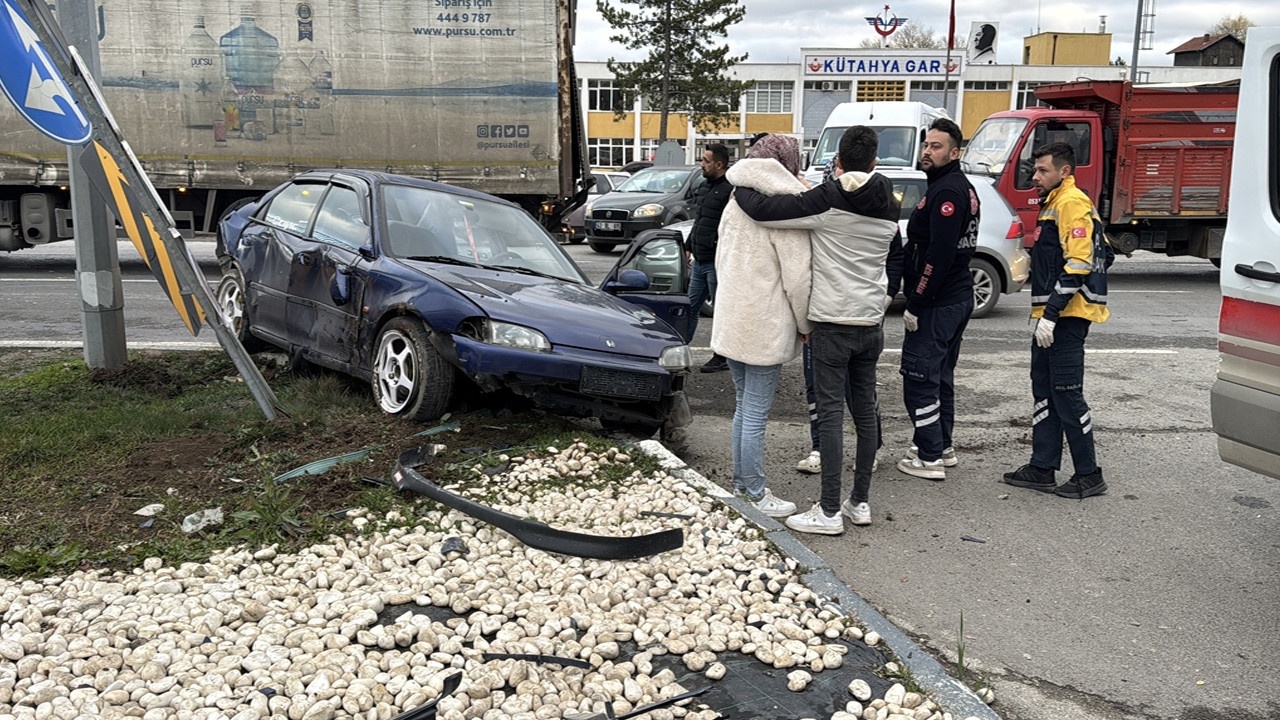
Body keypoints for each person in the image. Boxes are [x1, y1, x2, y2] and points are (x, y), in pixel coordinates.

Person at [734, 126, 901, 534]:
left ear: (838, 162)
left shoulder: (829, 198)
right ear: (875, 162)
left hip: (831, 323)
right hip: (870, 322)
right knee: (865, 412)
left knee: (829, 417)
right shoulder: (890, 203)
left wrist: (741, 186)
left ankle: (827, 512)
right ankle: (859, 503)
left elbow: (764, 211)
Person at [710, 134, 812, 518]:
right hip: (765, 324)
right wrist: (805, 323)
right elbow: (798, 279)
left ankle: (742, 486)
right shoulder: (786, 209)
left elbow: (720, 258)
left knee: (744, 407)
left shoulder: (736, 200)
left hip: (733, 318)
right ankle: (754, 492)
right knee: (754, 413)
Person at [1003, 141, 1111, 498]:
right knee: (1045, 391)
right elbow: (1105, 252)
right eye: (1035, 170)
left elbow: (1080, 262)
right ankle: (1042, 467)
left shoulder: (1071, 203)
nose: (1035, 176)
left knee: (1066, 393)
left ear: (1064, 171)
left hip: (1066, 318)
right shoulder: (1056, 202)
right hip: (1051, 317)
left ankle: (1089, 474)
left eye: (1042, 170)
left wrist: (1052, 314)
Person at [896, 118, 979, 481]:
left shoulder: (948, 192)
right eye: (926, 145)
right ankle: (940, 446)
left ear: (955, 152)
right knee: (940, 376)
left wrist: (916, 300)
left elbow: (940, 254)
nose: (927, 152)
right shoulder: (952, 186)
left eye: (936, 146)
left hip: (939, 301)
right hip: (953, 297)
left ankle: (929, 456)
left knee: (920, 378)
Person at [686, 143, 733, 373]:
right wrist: (688, 245)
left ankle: (722, 356)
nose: (701, 164)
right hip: (700, 260)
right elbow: (700, 221)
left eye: (706, 161)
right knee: (690, 307)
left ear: (719, 164)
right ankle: (679, 348)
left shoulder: (730, 190)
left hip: (716, 262)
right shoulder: (705, 187)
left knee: (721, 312)